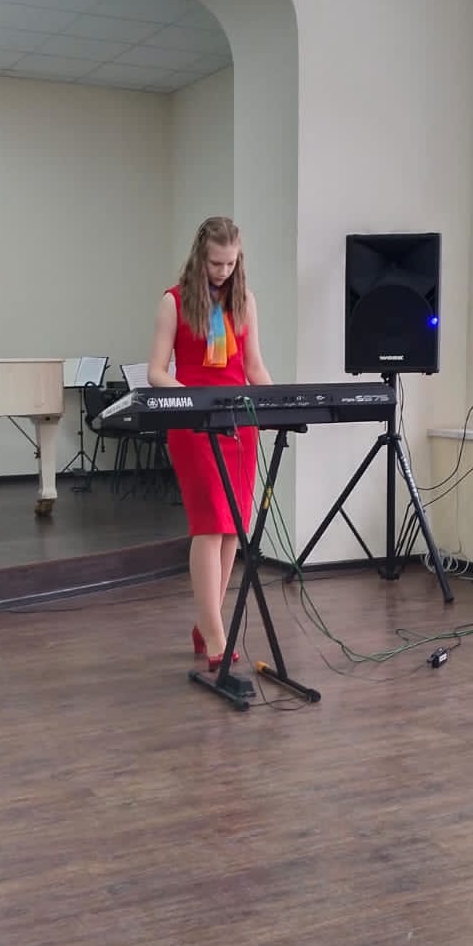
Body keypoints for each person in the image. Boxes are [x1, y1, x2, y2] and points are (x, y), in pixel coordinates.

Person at [147, 217, 272, 669]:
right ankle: (217, 637)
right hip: (195, 424)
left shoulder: (245, 301)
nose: (222, 271)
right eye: (216, 263)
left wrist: (278, 404)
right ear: (200, 257)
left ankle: (207, 622)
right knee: (208, 525)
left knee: (231, 528)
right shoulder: (174, 301)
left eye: (230, 264)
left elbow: (253, 367)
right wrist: (190, 399)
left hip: (239, 426)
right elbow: (156, 371)